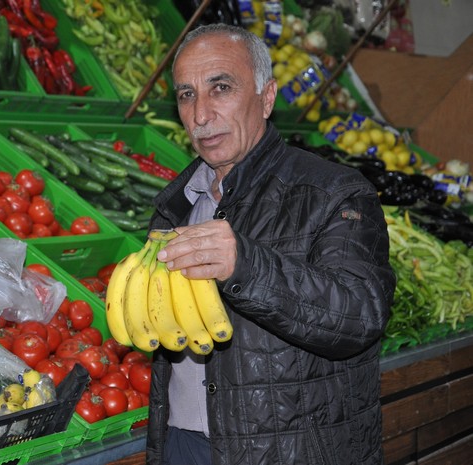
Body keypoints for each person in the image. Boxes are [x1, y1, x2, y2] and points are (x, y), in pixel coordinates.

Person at [146, 24, 396, 465]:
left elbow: (360, 315)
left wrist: (246, 265)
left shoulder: (335, 192)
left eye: (220, 88)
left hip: (288, 452)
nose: (200, 114)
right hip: (184, 444)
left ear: (267, 97)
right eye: (186, 94)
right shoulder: (175, 206)